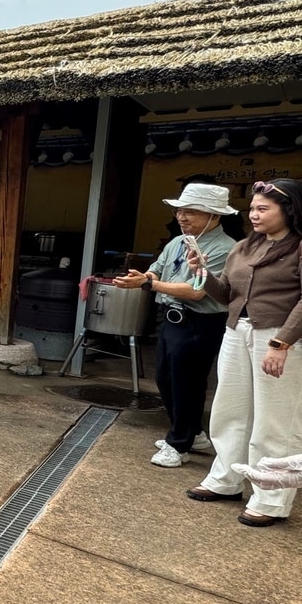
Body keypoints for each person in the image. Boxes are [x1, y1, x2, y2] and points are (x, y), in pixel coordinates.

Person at [186, 178, 302, 526]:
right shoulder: (243, 248)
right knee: (230, 408)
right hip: (237, 330)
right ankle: (226, 480)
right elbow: (227, 296)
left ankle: (271, 499)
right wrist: (202, 273)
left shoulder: (298, 247)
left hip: (280, 337)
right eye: (252, 208)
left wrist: (283, 342)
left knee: (275, 419)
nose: (254, 214)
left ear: (289, 210)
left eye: (263, 208)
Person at [112, 183, 237, 468]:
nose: (182, 217)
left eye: (191, 212)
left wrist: (148, 283)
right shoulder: (178, 241)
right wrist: (144, 275)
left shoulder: (225, 248)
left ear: (215, 216)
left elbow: (196, 291)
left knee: (187, 383)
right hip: (170, 318)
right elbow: (157, 266)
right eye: (180, 210)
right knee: (166, 380)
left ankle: (179, 444)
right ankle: (193, 433)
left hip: (201, 321)